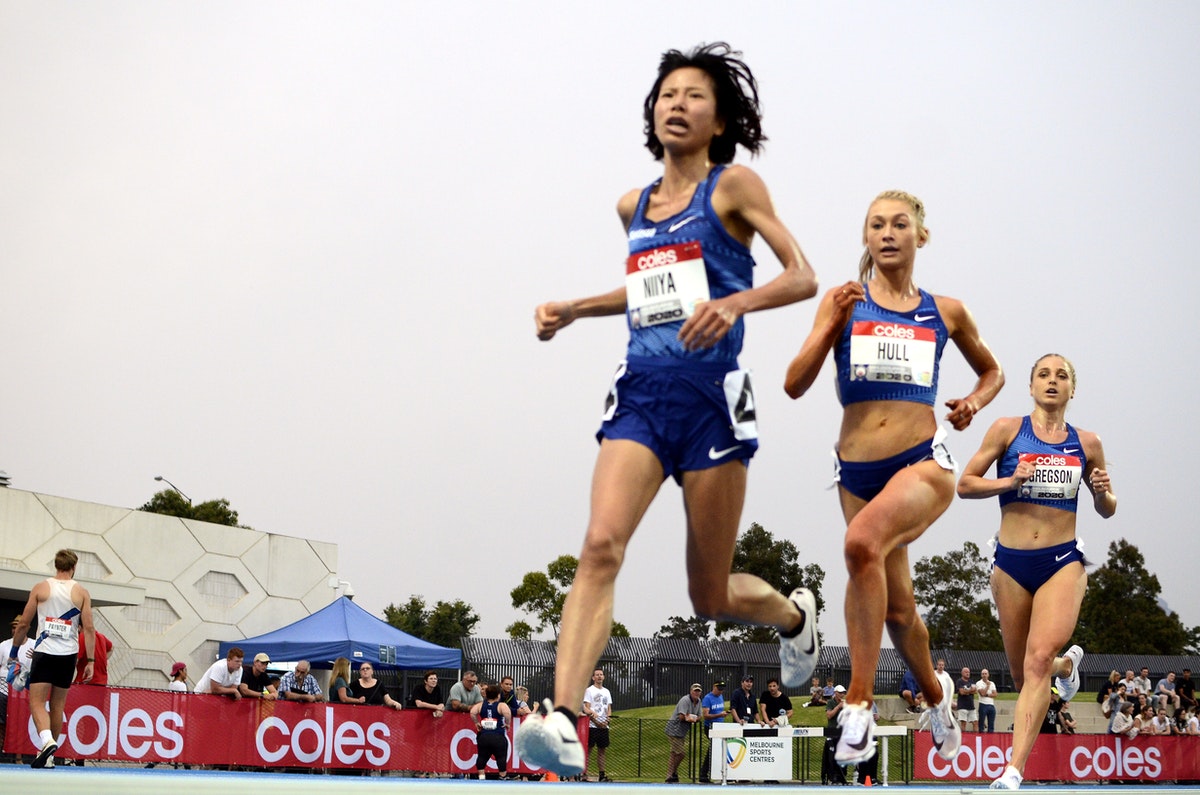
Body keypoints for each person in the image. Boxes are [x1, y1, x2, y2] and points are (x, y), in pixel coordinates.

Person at [516, 42, 821, 779]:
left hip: (714, 400)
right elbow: (649, 290)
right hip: (644, 395)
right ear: (651, 114)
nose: (676, 104)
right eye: (666, 95)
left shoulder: (734, 186)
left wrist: (735, 302)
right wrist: (575, 307)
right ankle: (563, 721)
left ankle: (793, 617)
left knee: (709, 594)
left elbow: (803, 275)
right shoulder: (634, 206)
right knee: (600, 544)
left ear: (719, 121)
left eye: (693, 96)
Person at [784, 190, 1003, 767]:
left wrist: (974, 403)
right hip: (856, 472)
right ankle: (937, 696)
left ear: (919, 237)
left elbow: (993, 371)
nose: (886, 233)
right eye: (875, 224)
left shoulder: (945, 311)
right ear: (866, 237)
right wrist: (829, 323)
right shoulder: (845, 302)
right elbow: (794, 382)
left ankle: (858, 705)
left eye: (899, 224)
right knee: (900, 611)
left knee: (861, 544)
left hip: (922, 465)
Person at [957, 352, 1116, 790]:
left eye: (1061, 376)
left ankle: (1013, 770)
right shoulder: (1008, 430)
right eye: (1043, 375)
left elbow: (1107, 508)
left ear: (1071, 389)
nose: (1052, 381)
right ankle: (1068, 669)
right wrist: (1009, 482)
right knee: (1026, 672)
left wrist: (1102, 494)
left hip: (1061, 562)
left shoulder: (1088, 443)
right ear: (1030, 386)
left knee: (1037, 658)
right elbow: (965, 484)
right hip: (1009, 565)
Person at [9, 550, 97, 769]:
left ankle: (47, 741)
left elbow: (23, 624)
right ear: (74, 567)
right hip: (68, 655)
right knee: (58, 705)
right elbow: (89, 628)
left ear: (55, 565)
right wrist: (91, 662)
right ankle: (48, 756)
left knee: (37, 702)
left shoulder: (40, 588)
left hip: (45, 651)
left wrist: (13, 651)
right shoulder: (82, 592)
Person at [471, 683, 513, 780]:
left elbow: (472, 712)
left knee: (482, 756)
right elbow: (507, 713)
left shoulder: (481, 705)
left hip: (484, 736)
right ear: (498, 695)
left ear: (486, 695)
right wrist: (508, 723)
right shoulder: (501, 705)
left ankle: (481, 776)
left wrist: (476, 722)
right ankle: (502, 775)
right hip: (498, 736)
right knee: (501, 757)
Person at [665, 684, 704, 782]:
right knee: (681, 753)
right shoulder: (685, 700)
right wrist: (692, 718)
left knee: (674, 753)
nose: (696, 693)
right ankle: (672, 773)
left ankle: (670, 775)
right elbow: (682, 716)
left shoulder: (699, 701)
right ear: (691, 691)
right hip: (674, 729)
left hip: (682, 731)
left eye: (698, 691)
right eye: (695, 691)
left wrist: (692, 717)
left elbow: (700, 716)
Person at [582, 668, 613, 781]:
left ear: (603, 677)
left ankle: (602, 775)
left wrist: (607, 720)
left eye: (601, 674)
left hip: (604, 726)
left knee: (602, 750)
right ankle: (584, 774)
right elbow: (587, 708)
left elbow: (608, 708)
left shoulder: (606, 692)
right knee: (589, 750)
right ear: (593, 678)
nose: (599, 676)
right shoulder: (589, 691)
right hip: (592, 725)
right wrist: (596, 721)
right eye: (597, 675)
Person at [699, 681, 726, 783]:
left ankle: (708, 773)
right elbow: (706, 715)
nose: (720, 691)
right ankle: (703, 774)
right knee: (712, 749)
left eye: (722, 689)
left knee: (716, 749)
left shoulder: (721, 697)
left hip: (720, 726)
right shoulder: (708, 698)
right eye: (719, 689)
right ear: (714, 687)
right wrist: (719, 715)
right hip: (710, 726)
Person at [956, 666, 978, 733]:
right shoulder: (959, 681)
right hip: (962, 706)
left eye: (968, 672)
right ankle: (963, 737)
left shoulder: (971, 681)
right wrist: (970, 690)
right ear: (962, 673)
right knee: (963, 723)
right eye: (966, 672)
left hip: (971, 706)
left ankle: (975, 737)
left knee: (975, 722)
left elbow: (975, 691)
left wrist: (967, 691)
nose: (968, 673)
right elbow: (961, 692)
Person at [976, 669, 998, 733]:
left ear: (988, 675)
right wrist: (987, 686)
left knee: (991, 723)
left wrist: (987, 694)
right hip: (983, 704)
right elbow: (982, 693)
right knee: (981, 723)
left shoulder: (992, 683)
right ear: (981, 675)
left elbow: (995, 694)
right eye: (983, 674)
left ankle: (990, 736)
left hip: (991, 704)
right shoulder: (979, 683)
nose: (984, 675)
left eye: (985, 674)